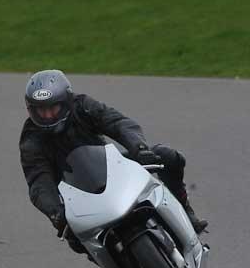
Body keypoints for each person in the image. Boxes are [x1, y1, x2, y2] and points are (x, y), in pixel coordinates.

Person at [19, 69, 208, 252]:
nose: (48, 116)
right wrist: (55, 212)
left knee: (167, 156)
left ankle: (185, 211)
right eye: (41, 110)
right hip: (76, 198)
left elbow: (117, 123)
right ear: (31, 110)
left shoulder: (82, 106)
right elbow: (38, 181)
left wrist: (139, 148)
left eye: (53, 108)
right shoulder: (30, 139)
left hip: (110, 169)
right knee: (76, 241)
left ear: (66, 101)